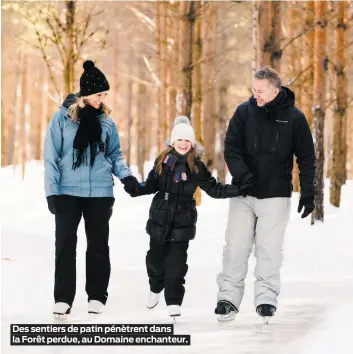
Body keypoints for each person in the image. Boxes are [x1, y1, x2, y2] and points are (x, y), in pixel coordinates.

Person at [215, 66, 316, 322]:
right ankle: (227, 299)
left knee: (269, 249)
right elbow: (231, 148)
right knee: (235, 247)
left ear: (275, 89)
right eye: (253, 90)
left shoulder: (295, 118)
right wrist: (243, 177)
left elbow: (306, 158)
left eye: (260, 91)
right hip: (243, 193)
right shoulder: (244, 112)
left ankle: (266, 300)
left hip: (275, 194)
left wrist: (308, 192)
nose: (255, 95)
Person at [44, 60, 139, 318]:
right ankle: (63, 299)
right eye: (99, 94)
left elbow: (115, 154)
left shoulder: (106, 121)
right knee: (65, 244)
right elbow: (51, 157)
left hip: (100, 192)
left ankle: (97, 296)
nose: (102, 99)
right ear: (86, 94)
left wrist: (127, 177)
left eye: (104, 95)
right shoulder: (62, 118)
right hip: (67, 190)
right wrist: (51, 191)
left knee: (98, 245)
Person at [124, 116, 241, 319]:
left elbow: (214, 189)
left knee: (177, 265)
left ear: (192, 143)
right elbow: (150, 185)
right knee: (155, 260)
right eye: (180, 140)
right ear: (173, 141)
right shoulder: (162, 162)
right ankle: (155, 286)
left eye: (187, 140)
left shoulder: (196, 167)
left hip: (182, 220)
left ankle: (174, 302)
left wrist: (238, 189)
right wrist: (136, 188)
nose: (183, 144)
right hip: (160, 218)